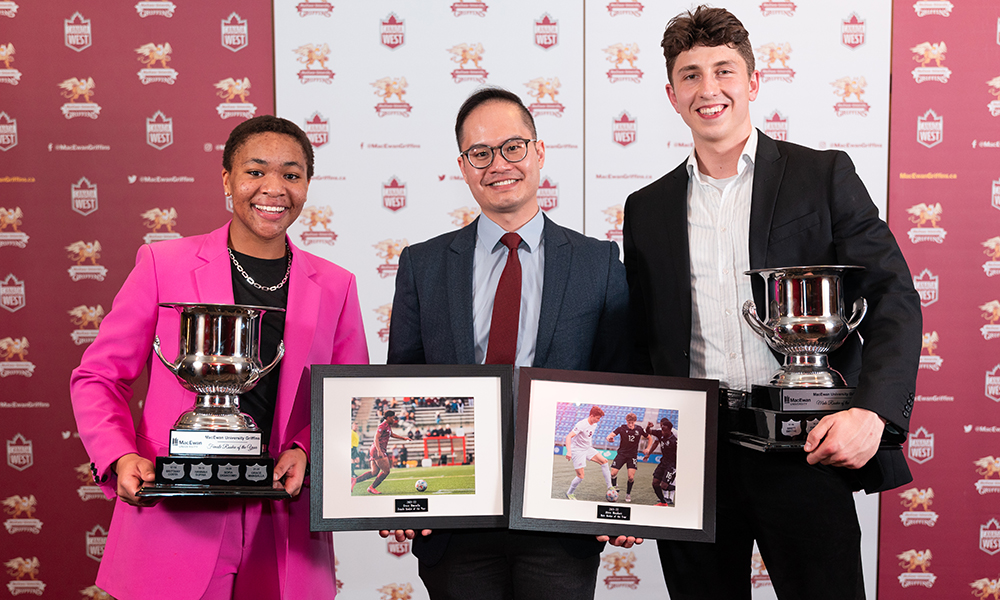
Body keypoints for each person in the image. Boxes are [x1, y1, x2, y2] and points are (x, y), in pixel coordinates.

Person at [622, 6, 921, 599]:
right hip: (690, 458)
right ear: (671, 93)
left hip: (802, 444)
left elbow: (893, 296)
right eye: (691, 75)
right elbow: (640, 343)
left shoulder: (823, 175)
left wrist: (874, 412)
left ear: (753, 82)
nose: (709, 89)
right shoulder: (646, 208)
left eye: (724, 70)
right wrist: (624, 472)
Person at [70, 115, 369, 599]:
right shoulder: (162, 265)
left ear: (308, 186)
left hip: (283, 522)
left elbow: (352, 400)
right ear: (227, 178)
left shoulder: (336, 285)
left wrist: (308, 452)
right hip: (172, 516)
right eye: (255, 171)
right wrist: (119, 455)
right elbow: (98, 376)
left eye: (291, 175)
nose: (273, 188)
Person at [384, 87, 635, 600]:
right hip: (454, 522)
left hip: (559, 526)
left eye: (513, 147)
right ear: (463, 165)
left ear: (539, 153)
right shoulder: (423, 265)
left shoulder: (598, 264)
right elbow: (402, 387)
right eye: (480, 153)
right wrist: (399, 497)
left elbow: (619, 384)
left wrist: (624, 509)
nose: (498, 164)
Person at [565, 406, 614, 500]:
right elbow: (568, 436)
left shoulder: (594, 424)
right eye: (598, 418)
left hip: (587, 448)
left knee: (604, 461)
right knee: (580, 476)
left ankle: (610, 487)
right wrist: (569, 451)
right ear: (592, 416)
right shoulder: (581, 424)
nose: (599, 420)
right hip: (578, 450)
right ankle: (569, 493)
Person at [353, 410, 408, 494]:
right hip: (378, 449)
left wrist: (403, 438)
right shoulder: (382, 426)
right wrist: (379, 450)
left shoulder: (388, 425)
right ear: (388, 417)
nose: (394, 420)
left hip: (376, 449)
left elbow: (391, 434)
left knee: (374, 472)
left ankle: (354, 480)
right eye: (393, 418)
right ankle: (371, 487)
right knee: (386, 471)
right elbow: (376, 438)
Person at [605, 412, 649, 502]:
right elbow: (610, 435)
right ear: (626, 421)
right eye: (629, 422)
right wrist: (610, 438)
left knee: (631, 477)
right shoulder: (622, 428)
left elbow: (649, 437)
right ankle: (614, 486)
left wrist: (648, 448)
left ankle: (628, 494)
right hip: (621, 454)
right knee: (613, 473)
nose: (630, 424)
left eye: (632, 422)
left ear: (635, 421)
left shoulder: (639, 429)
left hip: (632, 456)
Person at [644, 418, 678, 507]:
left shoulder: (674, 441)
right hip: (663, 462)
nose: (663, 432)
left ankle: (681, 489)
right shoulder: (660, 433)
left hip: (672, 464)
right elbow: (648, 431)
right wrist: (648, 426)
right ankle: (663, 502)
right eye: (662, 429)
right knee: (655, 483)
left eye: (665, 431)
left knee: (664, 485)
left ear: (670, 430)